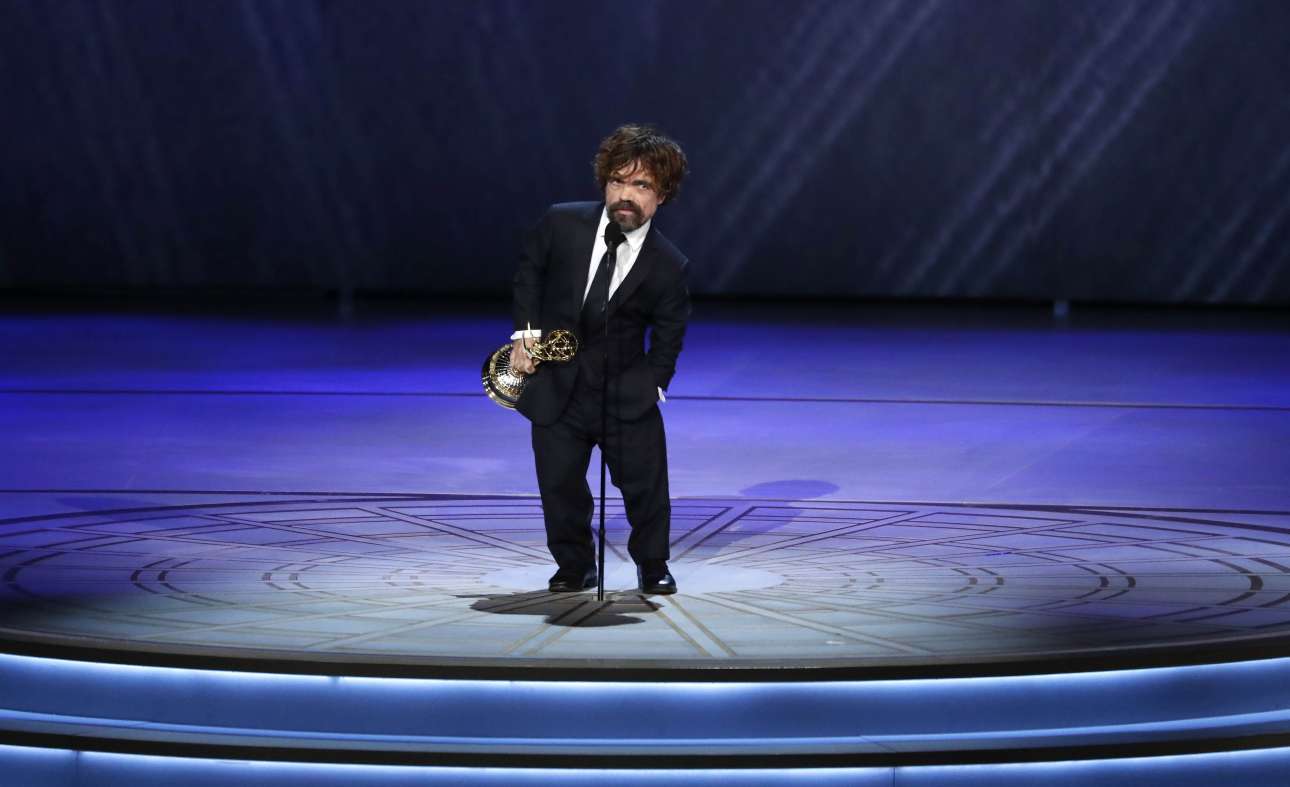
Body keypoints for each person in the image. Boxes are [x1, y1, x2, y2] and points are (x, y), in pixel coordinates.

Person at [509, 124, 690, 595]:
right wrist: (525, 333)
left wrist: (653, 384)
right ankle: (574, 565)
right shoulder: (562, 223)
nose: (625, 194)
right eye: (617, 180)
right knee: (559, 483)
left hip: (624, 390)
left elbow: (670, 332)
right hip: (558, 383)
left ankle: (652, 563)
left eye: (641, 184)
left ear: (662, 195)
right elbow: (529, 273)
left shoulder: (668, 263)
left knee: (645, 486)